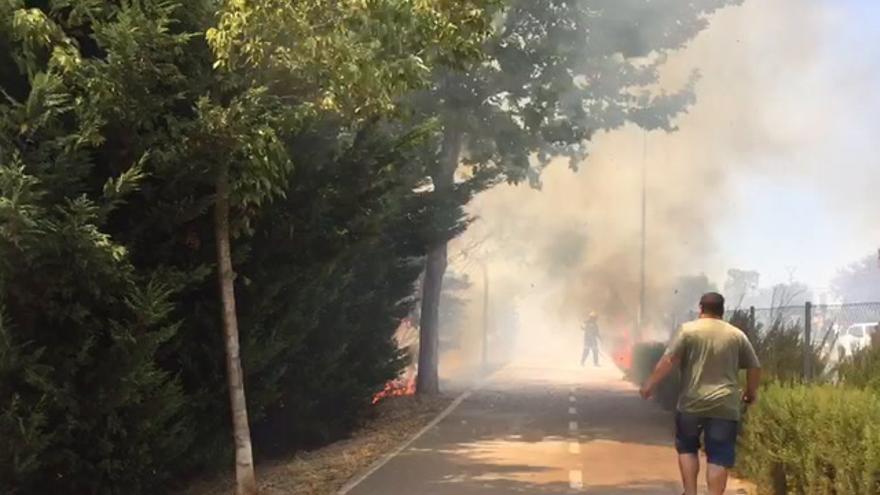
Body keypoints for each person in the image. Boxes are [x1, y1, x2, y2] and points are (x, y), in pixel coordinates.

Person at [639, 292, 761, 495]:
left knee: (687, 448)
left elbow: (669, 360)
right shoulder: (736, 335)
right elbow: (754, 367)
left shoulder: (687, 331)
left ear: (701, 308)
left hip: (691, 403)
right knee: (719, 456)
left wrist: (649, 384)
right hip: (725, 406)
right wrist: (750, 392)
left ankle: (690, 491)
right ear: (722, 310)